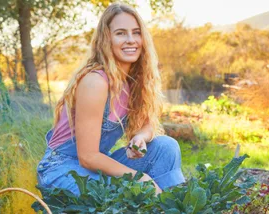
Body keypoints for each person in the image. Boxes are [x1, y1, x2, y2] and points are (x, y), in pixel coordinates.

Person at [36, 3, 185, 196]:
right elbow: (88, 157)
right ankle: (151, 201)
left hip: (95, 167)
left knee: (166, 147)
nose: (131, 40)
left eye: (136, 32)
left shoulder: (134, 82)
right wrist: (138, 177)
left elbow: (148, 125)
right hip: (63, 170)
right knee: (116, 196)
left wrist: (140, 137)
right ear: (107, 39)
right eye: (121, 33)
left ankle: (169, 202)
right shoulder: (95, 81)